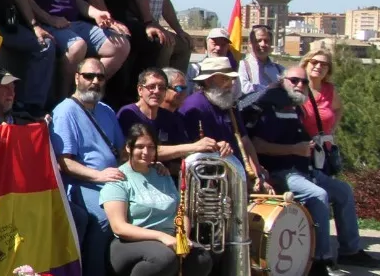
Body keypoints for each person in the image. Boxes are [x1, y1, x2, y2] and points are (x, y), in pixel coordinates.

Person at [245, 67, 378, 276]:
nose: (299, 85)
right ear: (282, 82)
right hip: (281, 173)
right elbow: (257, 145)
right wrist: (294, 150)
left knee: (343, 191)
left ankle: (350, 251)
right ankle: (320, 260)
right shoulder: (269, 106)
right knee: (318, 196)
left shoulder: (296, 107)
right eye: (294, 80)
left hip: (304, 170)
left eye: (304, 82)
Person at [100, 125, 214, 276]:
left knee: (202, 257)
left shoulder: (162, 174)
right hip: (130, 244)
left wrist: (183, 237)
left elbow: (181, 211)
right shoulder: (119, 178)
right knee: (165, 257)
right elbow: (119, 227)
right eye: (140, 147)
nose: (146, 152)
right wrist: (162, 237)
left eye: (151, 147)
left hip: (167, 239)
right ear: (129, 148)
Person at [50, 62, 124, 276]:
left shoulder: (107, 111)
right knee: (103, 219)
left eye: (100, 77)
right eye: (89, 75)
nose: (94, 81)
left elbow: (121, 152)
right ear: (76, 77)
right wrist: (100, 175)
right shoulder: (66, 111)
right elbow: (65, 163)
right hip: (81, 183)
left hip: (112, 180)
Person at [177, 56, 262, 188]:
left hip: (238, 175)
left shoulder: (229, 104)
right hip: (210, 181)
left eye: (232, 79)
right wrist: (216, 147)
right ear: (209, 80)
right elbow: (188, 151)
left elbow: (245, 141)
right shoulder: (193, 107)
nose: (231, 83)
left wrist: (257, 175)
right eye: (225, 78)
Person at [115, 68, 221, 173]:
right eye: (151, 87)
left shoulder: (170, 117)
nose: (157, 91)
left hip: (165, 177)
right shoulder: (128, 113)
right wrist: (195, 146)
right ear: (140, 90)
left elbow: (185, 152)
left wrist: (216, 148)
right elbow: (139, 151)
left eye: (161, 88)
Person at [298, 50, 342, 171]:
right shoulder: (296, 88)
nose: (318, 66)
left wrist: (332, 129)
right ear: (306, 64)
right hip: (300, 154)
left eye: (324, 64)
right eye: (314, 62)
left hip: (323, 154)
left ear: (328, 70)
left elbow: (338, 109)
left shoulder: (330, 90)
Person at [239, 26, 283, 102]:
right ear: (250, 43)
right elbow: (243, 88)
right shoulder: (242, 65)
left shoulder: (279, 69)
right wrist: (268, 89)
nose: (263, 44)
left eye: (266, 41)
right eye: (258, 40)